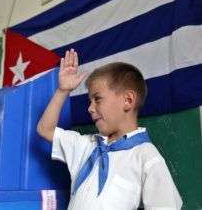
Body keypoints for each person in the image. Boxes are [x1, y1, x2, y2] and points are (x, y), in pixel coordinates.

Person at [37, 49, 182, 209]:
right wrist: (62, 90)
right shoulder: (86, 145)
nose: (90, 109)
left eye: (97, 99)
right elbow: (45, 129)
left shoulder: (146, 157)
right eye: (89, 101)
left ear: (128, 100)